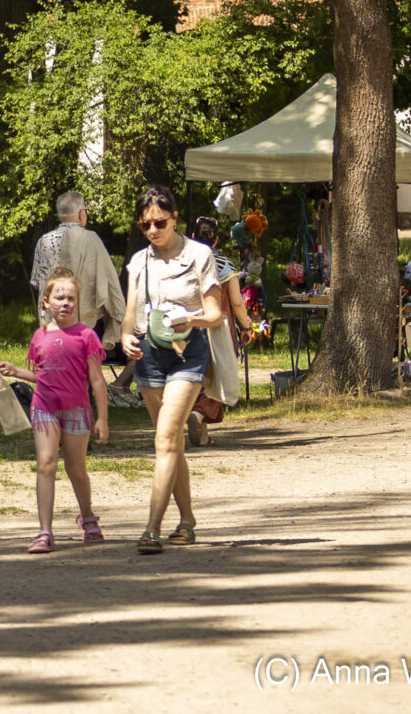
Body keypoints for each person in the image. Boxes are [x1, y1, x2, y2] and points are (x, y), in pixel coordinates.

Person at [119, 186, 228, 552]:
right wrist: (126, 336)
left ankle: (151, 528)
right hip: (150, 354)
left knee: (165, 438)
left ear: (175, 218)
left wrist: (190, 319)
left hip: (188, 353)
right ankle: (187, 520)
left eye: (159, 223)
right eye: (145, 224)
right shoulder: (139, 261)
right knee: (171, 442)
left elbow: (215, 315)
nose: (152, 230)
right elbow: (130, 313)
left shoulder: (199, 255)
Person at [0, 269, 109, 552]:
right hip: (44, 408)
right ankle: (45, 531)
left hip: (76, 410)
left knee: (76, 468)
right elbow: (41, 375)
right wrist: (16, 371)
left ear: (78, 303)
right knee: (46, 464)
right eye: (59, 297)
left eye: (71, 298)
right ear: (46, 302)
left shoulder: (86, 336)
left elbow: (97, 379)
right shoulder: (40, 336)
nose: (65, 303)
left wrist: (103, 418)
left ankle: (87, 517)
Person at [188, 214, 256, 442]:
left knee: (194, 376)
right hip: (218, 329)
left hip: (187, 326)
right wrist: (246, 326)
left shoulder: (181, 264)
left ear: (192, 236)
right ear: (216, 240)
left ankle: (203, 435)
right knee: (216, 379)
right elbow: (236, 302)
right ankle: (198, 415)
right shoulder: (225, 265)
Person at [29, 191, 126, 336]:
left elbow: (36, 283)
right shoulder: (90, 239)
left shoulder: (44, 241)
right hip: (82, 321)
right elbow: (107, 280)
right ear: (81, 214)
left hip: (51, 320)